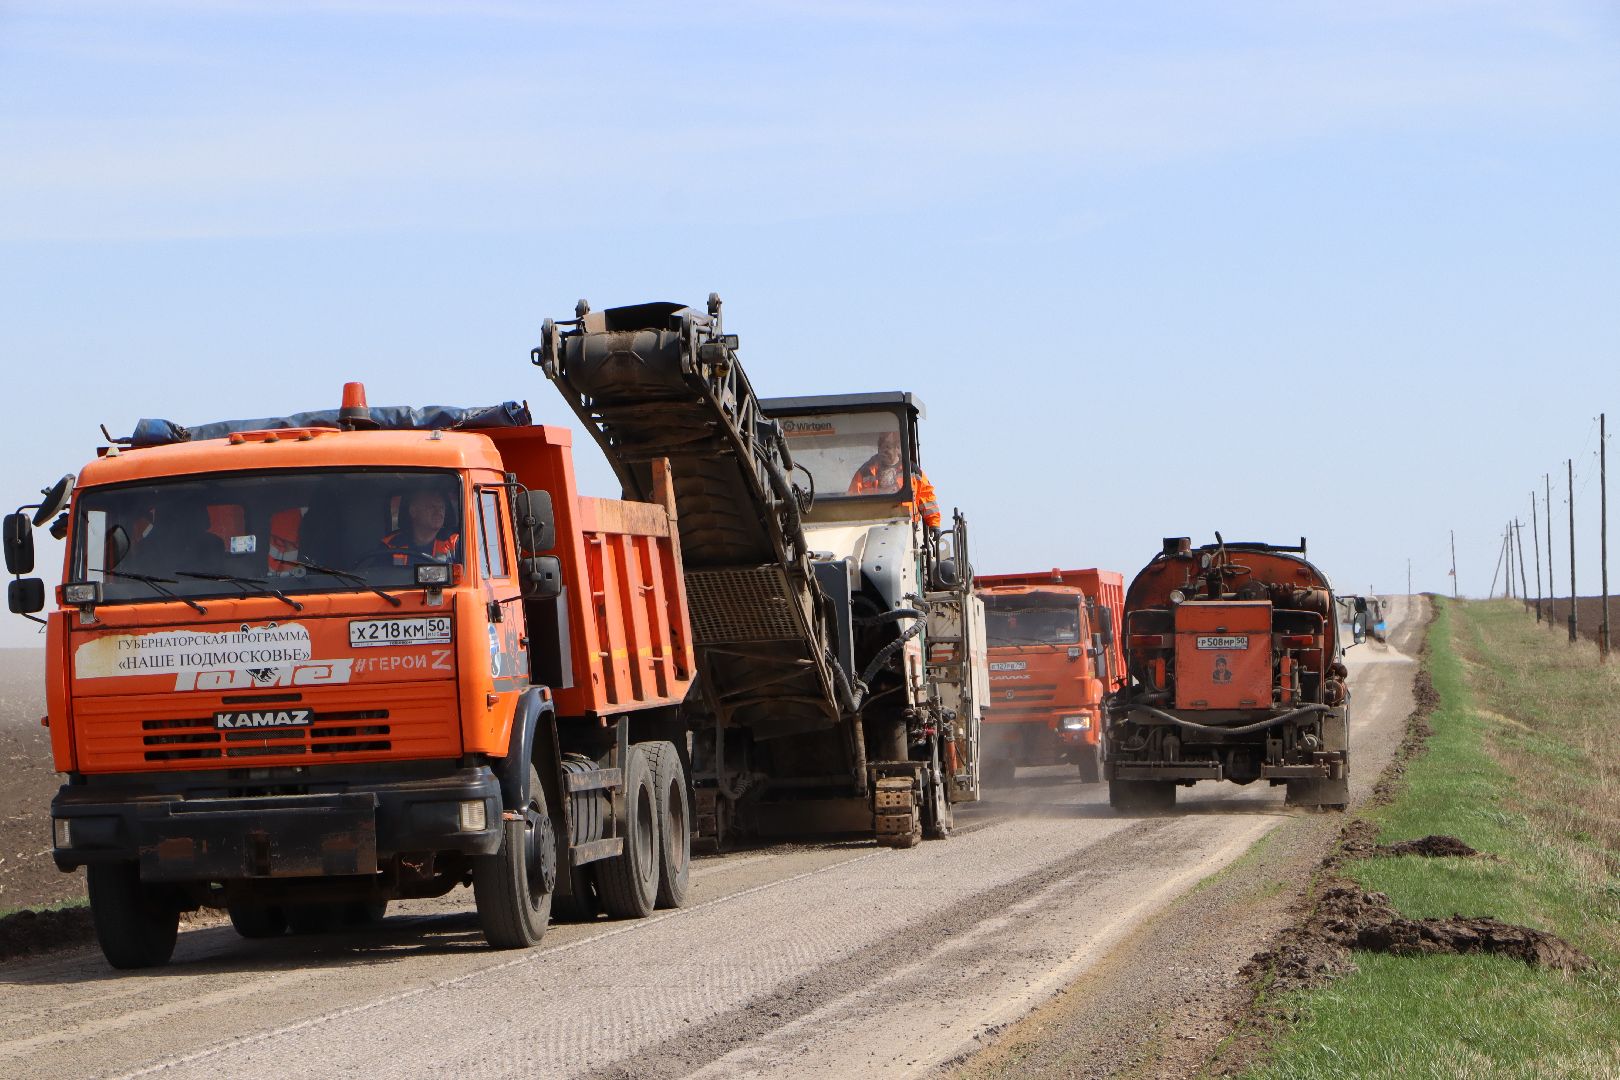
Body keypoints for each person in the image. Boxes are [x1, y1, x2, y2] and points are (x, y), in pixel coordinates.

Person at [847, 430, 941, 532]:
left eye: (888, 447)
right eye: (882, 446)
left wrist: (934, 525)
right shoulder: (865, 472)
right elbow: (852, 502)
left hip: (907, 528)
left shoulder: (912, 471)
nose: (884, 450)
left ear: (897, 448)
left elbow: (926, 498)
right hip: (871, 527)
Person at [378, 488, 461, 565]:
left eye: (441, 507)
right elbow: (378, 576)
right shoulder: (390, 545)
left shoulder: (455, 543)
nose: (438, 512)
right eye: (431, 507)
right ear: (413, 511)